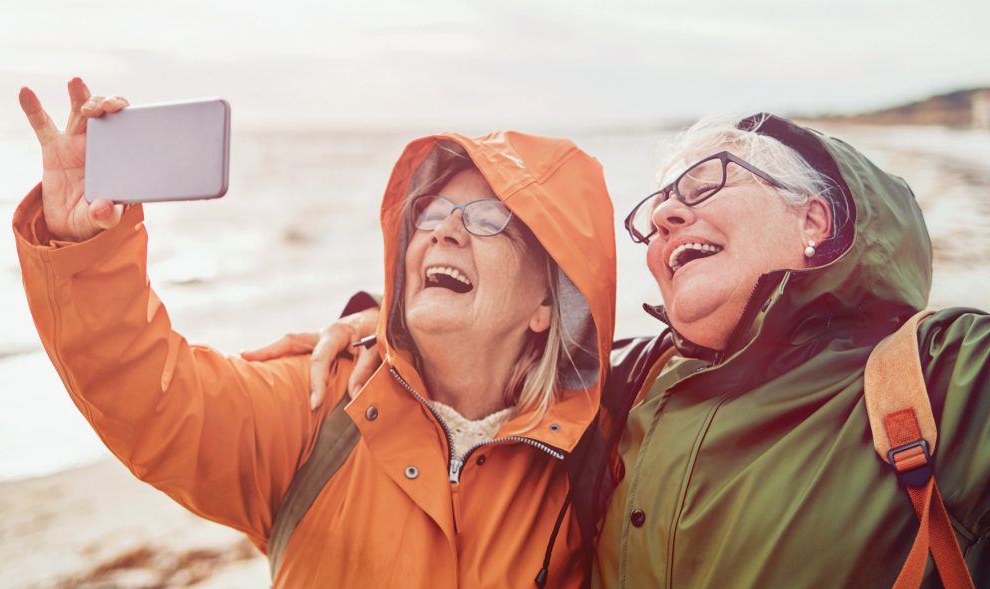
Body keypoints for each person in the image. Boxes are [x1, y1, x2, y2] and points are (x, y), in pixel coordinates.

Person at [275, 113, 990, 586]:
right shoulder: (628, 380)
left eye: (706, 180)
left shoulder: (941, 373)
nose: (668, 215)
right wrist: (398, 324)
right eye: (657, 212)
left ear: (815, 216)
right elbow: (504, 355)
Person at [12, 78, 618, 586]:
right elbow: (153, 399)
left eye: (489, 220)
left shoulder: (598, 455)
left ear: (548, 302)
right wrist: (83, 249)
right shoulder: (321, 405)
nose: (445, 232)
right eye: (430, 215)